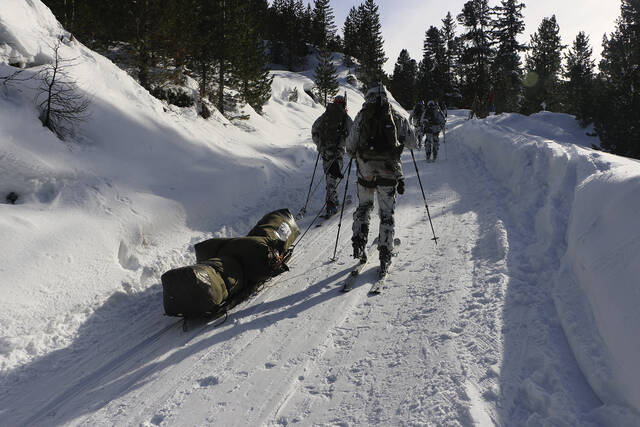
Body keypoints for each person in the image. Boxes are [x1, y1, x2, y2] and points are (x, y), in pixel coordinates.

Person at [346, 82, 418, 276]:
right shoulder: (397, 116)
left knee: (364, 207)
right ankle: (385, 253)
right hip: (389, 171)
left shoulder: (362, 116)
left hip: (366, 171)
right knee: (386, 213)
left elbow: (350, 147)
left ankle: (359, 244)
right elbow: (413, 142)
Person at [311, 95, 353, 216]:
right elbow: (353, 134)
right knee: (333, 177)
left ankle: (332, 201)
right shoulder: (345, 118)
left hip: (325, 152)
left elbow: (314, 130)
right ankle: (331, 203)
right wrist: (349, 147)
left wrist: (320, 145)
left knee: (330, 176)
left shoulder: (325, 116)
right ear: (344, 104)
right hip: (338, 151)